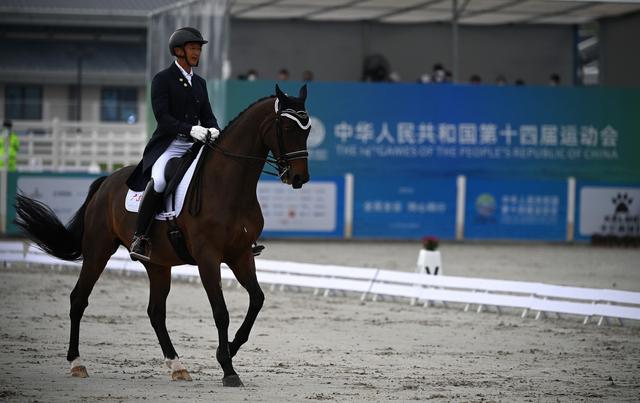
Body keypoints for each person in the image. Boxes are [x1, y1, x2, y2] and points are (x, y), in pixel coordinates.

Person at [126, 27, 220, 262]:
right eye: (192, 48)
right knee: (158, 181)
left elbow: (207, 115)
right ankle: (140, 237)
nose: (197, 52)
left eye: (198, 48)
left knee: (218, 174)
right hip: (169, 145)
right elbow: (163, 118)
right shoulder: (162, 79)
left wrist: (214, 128)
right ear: (178, 51)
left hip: (194, 145)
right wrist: (190, 129)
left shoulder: (199, 83)